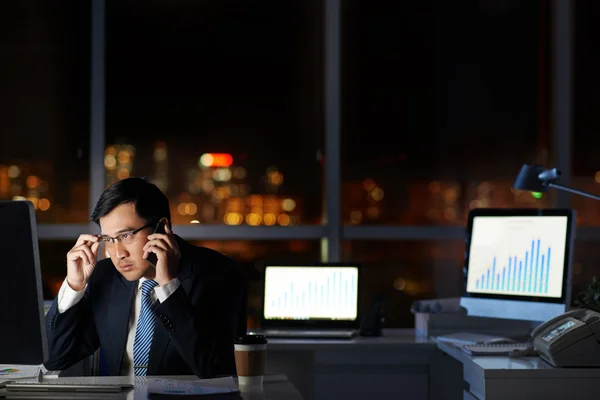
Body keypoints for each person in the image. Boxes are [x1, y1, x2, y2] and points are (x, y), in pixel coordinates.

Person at [44, 177, 247, 377]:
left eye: (126, 236)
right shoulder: (105, 276)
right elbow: (55, 358)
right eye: (109, 239)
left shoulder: (220, 273)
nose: (118, 252)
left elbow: (218, 371)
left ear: (161, 227)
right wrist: (74, 285)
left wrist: (168, 287)